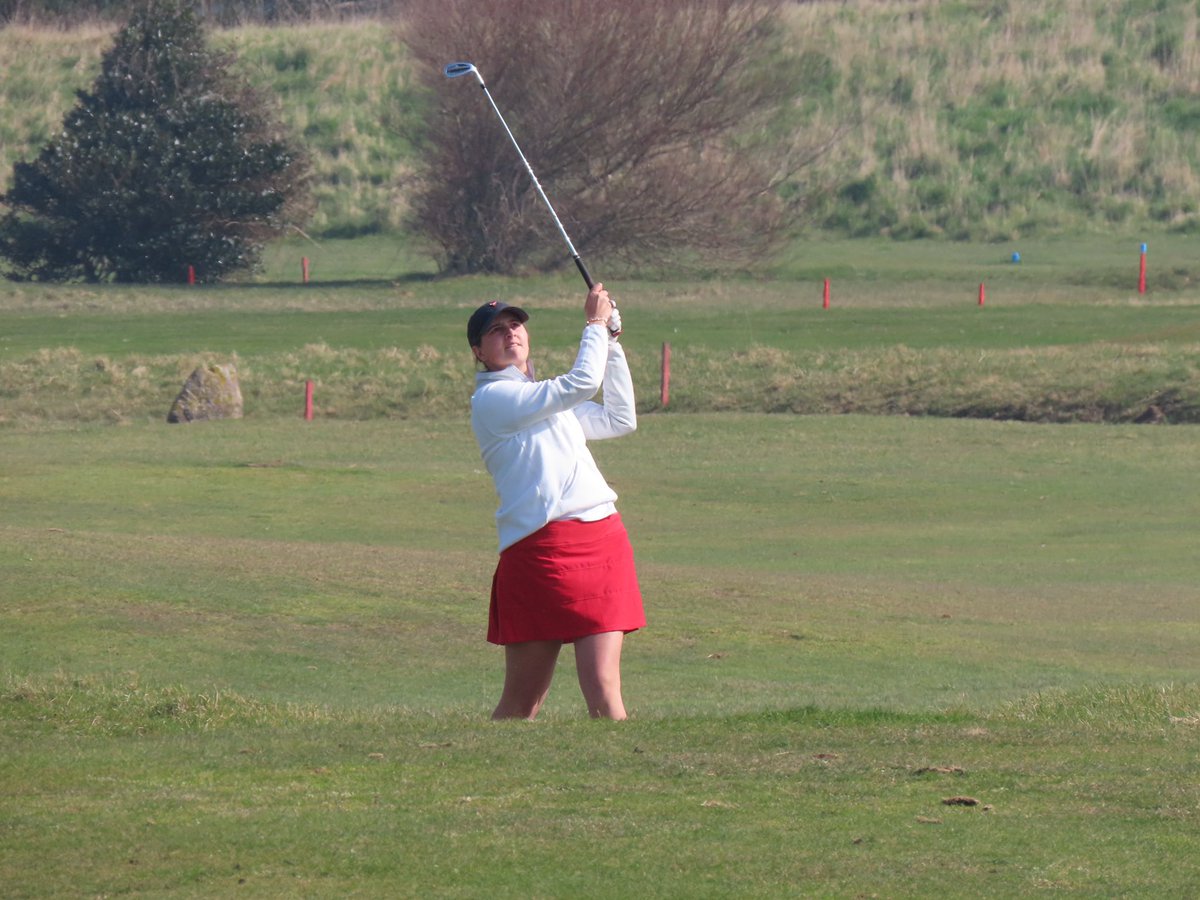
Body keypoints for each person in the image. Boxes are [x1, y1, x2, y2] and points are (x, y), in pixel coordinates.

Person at [467, 282, 644, 720]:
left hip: (601, 539)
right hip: (539, 552)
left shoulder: (544, 398)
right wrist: (595, 325)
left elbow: (619, 419)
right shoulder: (494, 399)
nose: (510, 334)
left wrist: (612, 345)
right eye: (496, 331)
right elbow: (582, 383)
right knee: (522, 702)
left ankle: (630, 778)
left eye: (516, 326)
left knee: (604, 688)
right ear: (479, 352)